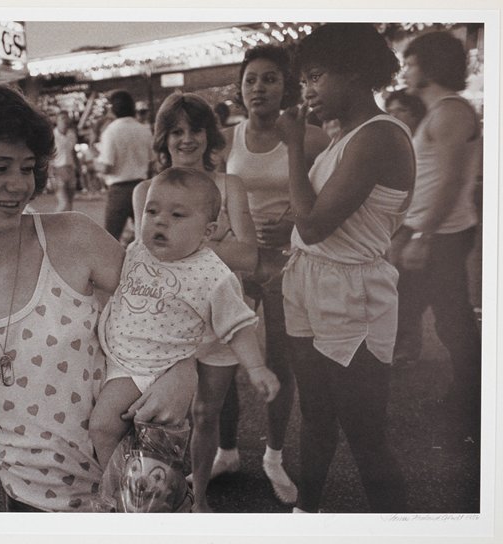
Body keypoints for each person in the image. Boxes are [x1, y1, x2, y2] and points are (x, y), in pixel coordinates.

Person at [0, 83, 196, 512]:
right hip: (33, 508)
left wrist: (184, 368)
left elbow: (168, 303)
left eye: (27, 167)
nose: (19, 186)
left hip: (142, 486)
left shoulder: (74, 237)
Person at [276, 23, 414, 513]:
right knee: (314, 416)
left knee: (365, 436)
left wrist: (293, 145)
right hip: (312, 283)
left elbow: (312, 225)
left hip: (353, 295)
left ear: (354, 71)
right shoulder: (347, 137)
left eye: (315, 76)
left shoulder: (377, 137)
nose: (307, 91)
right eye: (304, 80)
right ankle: (306, 513)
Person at [89, 167, 279, 473]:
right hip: (112, 356)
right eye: (152, 211)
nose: (160, 220)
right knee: (127, 435)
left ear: (207, 232)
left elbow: (238, 324)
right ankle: (143, 480)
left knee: (103, 427)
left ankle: (120, 488)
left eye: (178, 215)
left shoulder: (211, 273)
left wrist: (256, 367)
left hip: (146, 368)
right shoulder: (138, 251)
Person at [131, 92, 268, 512]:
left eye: (195, 130)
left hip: (222, 315)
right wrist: (212, 240)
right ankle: (156, 495)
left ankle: (200, 498)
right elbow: (148, 254)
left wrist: (180, 243)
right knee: (163, 414)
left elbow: (249, 256)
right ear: (163, 139)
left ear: (210, 136)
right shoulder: (144, 190)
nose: (186, 139)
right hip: (167, 320)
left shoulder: (230, 186)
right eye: (176, 131)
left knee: (207, 412)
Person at [208, 45, 331, 505]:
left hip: (285, 264)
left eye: (270, 79)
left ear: (287, 86)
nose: (259, 87)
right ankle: (226, 449)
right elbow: (210, 201)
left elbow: (327, 203)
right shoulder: (225, 141)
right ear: (240, 89)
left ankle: (274, 456)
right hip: (237, 264)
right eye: (251, 79)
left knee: (282, 361)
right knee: (220, 358)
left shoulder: (313, 139)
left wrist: (296, 221)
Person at [391, 31, 482, 444]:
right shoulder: (436, 111)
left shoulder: (450, 112)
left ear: (430, 65)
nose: (406, 70)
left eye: (411, 63)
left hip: (441, 233)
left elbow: (451, 181)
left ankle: (472, 412)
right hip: (428, 230)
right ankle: (466, 404)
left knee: (453, 324)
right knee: (443, 320)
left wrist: (422, 235)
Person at [96, 89, 154, 243]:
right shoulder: (144, 130)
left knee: (110, 238)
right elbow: (153, 162)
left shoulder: (111, 131)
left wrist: (95, 164)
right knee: (144, 237)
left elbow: (107, 166)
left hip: (119, 190)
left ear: (113, 109)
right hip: (142, 187)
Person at [50, 110, 78, 211]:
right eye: (62, 118)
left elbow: (73, 152)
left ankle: (67, 225)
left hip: (70, 169)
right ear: (57, 121)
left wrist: (77, 168)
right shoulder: (52, 136)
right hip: (58, 170)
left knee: (70, 203)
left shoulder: (71, 134)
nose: (65, 121)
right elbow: (48, 156)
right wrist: (50, 175)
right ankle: (52, 224)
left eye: (66, 118)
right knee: (63, 202)